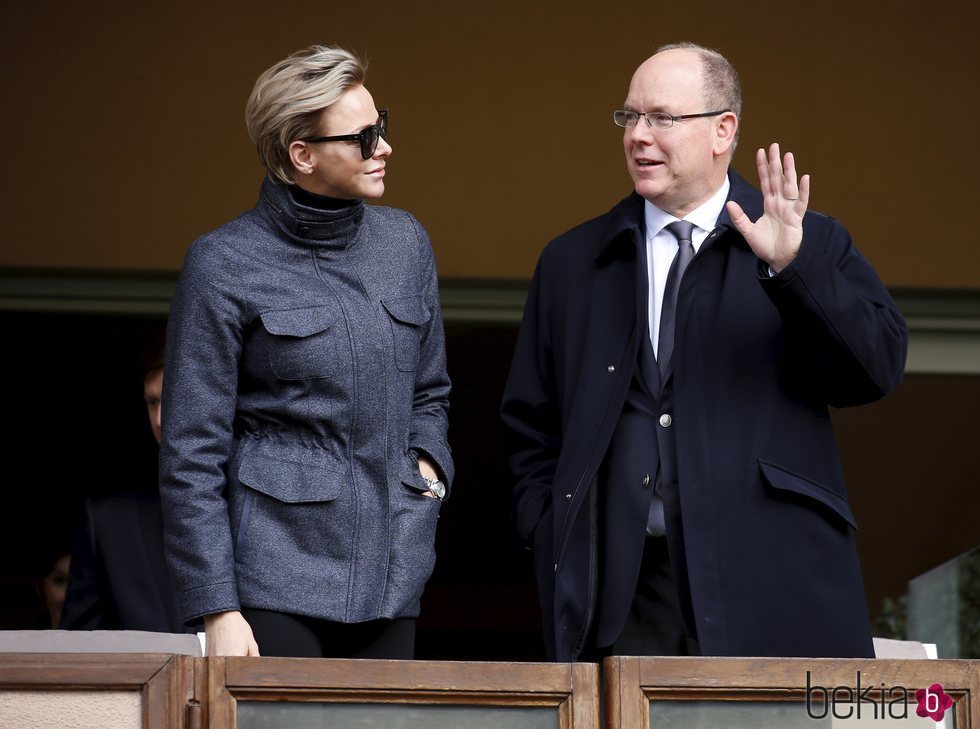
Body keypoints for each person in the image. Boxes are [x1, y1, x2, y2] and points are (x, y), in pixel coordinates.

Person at [500, 42, 908, 662]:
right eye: (629, 117)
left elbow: (875, 369)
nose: (638, 135)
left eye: (662, 118)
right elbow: (531, 425)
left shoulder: (805, 239)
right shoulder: (573, 261)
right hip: (624, 594)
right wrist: (548, 528)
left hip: (768, 580)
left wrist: (793, 270)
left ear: (723, 131)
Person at [160, 45, 453, 659]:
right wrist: (216, 605)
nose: (384, 148)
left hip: (394, 565)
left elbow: (430, 391)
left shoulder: (405, 243)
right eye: (364, 137)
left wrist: (427, 473)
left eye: (383, 127)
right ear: (303, 155)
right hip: (271, 575)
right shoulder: (222, 263)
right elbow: (192, 449)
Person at [60, 331, 190, 633]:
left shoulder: (265, 512)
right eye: (152, 401)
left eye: (172, 399)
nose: (159, 419)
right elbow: (78, 658)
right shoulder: (109, 523)